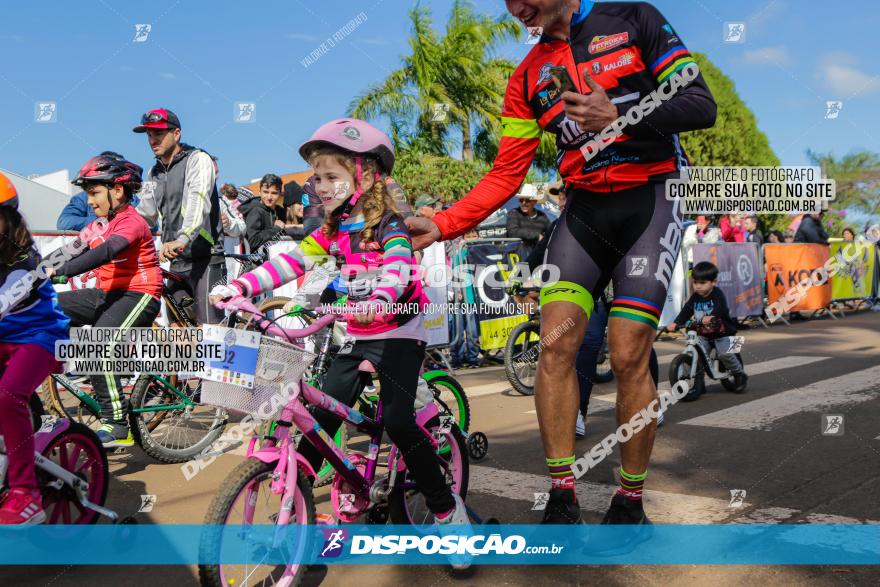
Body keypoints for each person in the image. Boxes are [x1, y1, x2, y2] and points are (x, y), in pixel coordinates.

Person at [406, 0, 716, 527]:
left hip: (652, 197)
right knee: (555, 347)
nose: (516, 8)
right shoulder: (527, 77)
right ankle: (562, 494)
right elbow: (506, 174)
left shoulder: (633, 18)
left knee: (626, 353)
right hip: (585, 213)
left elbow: (701, 104)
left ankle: (630, 501)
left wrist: (623, 115)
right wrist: (445, 223)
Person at [210, 118, 471, 538]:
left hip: (399, 334)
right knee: (319, 418)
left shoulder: (389, 224)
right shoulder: (333, 230)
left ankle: (446, 511)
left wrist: (382, 299)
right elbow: (291, 262)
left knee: (400, 421)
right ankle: (297, 520)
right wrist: (239, 287)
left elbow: (398, 268)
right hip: (359, 334)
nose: (320, 185)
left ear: (365, 176)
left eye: (332, 176)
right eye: (318, 177)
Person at [50, 154, 162, 447]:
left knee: (99, 346)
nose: (88, 201)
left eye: (94, 192)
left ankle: (116, 424)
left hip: (139, 293)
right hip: (107, 293)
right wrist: (32, 270)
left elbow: (105, 252)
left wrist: (60, 272)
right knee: (50, 310)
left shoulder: (131, 222)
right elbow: (72, 250)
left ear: (118, 190)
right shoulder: (101, 223)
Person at [0, 173, 69, 524]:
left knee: (8, 396)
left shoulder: (23, 259)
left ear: (7, 218)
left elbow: (7, 298)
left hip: (42, 337)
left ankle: (25, 492)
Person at [133, 107, 224, 324]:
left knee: (211, 335)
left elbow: (198, 201)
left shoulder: (198, 160)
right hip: (176, 263)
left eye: (159, 133)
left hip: (206, 259)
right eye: (149, 135)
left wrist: (182, 239)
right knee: (177, 332)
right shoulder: (152, 172)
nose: (152, 140)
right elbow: (145, 215)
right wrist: (119, 234)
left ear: (176, 134)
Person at [668, 261, 747, 396]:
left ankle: (739, 374)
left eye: (702, 283)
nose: (697, 286)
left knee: (724, 354)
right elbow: (686, 310)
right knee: (696, 355)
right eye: (695, 282)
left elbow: (720, 307)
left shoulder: (717, 294)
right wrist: (676, 323)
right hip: (704, 333)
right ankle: (699, 384)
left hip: (722, 332)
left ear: (713, 282)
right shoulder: (695, 297)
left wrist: (712, 315)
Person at [243, 174, 288, 250]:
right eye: (266, 192)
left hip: (277, 257)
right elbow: (253, 242)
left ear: (280, 193)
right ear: (260, 192)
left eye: (274, 193)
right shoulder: (255, 210)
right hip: (257, 260)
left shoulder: (281, 211)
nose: (269, 197)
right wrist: (276, 229)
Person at [505, 183, 550, 255]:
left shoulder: (542, 216)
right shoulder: (513, 213)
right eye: (521, 200)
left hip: (537, 255)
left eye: (527, 200)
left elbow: (550, 233)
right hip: (517, 255)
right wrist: (537, 236)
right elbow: (513, 232)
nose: (524, 203)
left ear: (535, 201)